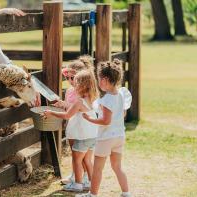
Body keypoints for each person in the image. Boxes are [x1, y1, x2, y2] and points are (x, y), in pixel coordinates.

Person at [77, 59, 132, 197]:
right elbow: (122, 113)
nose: (98, 82)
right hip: (119, 136)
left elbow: (106, 121)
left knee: (97, 169)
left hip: (106, 138)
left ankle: (92, 194)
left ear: (106, 79)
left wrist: (90, 119)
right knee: (117, 167)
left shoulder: (107, 99)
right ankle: (126, 193)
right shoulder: (120, 94)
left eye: (100, 79)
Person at [43, 69, 99, 192]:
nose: (74, 85)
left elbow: (67, 115)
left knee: (77, 160)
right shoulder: (92, 98)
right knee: (87, 160)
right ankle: (90, 183)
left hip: (82, 137)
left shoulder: (79, 102)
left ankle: (78, 185)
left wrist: (51, 112)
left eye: (76, 83)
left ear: (82, 85)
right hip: (92, 136)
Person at [53, 55, 95, 188]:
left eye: (73, 78)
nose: (70, 80)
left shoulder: (83, 92)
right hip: (73, 124)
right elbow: (70, 108)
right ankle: (75, 176)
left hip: (82, 126)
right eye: (68, 78)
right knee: (75, 153)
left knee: (82, 156)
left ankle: (83, 179)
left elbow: (75, 108)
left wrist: (64, 105)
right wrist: (63, 104)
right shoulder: (71, 91)